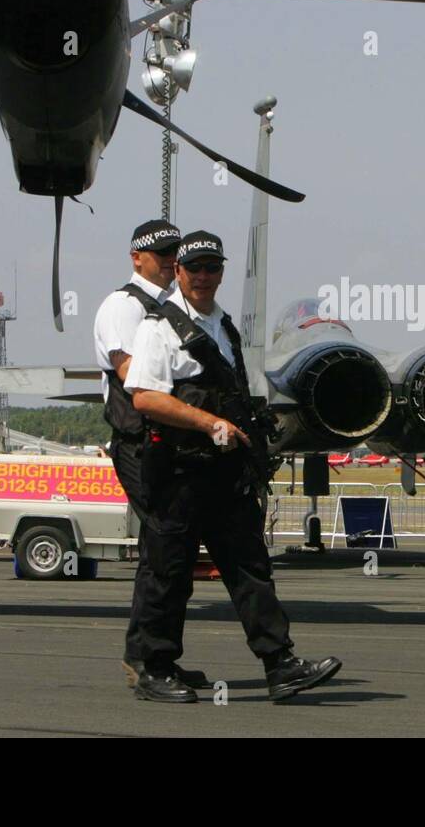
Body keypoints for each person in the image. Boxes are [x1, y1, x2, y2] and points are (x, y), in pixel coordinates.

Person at [124, 230, 340, 703]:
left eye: (212, 267)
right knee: (168, 573)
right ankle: (155, 668)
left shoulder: (224, 327)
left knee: (250, 567)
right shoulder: (158, 327)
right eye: (194, 267)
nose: (203, 276)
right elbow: (144, 396)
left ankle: (280, 664)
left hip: (225, 473)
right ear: (177, 272)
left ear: (221, 272)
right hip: (178, 473)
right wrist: (208, 423)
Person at [92, 220, 205, 691]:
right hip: (141, 442)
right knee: (164, 549)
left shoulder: (171, 309)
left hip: (168, 442)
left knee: (171, 551)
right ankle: (147, 660)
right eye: (159, 253)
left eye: (172, 252)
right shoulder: (124, 306)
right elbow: (133, 374)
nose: (167, 259)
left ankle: (154, 656)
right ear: (135, 256)